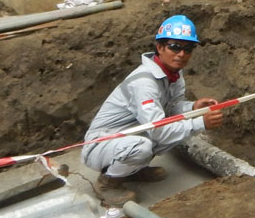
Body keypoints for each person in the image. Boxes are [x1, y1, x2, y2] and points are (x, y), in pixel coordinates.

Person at [81, 15, 224, 206]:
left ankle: (132, 169)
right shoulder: (144, 83)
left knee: (166, 133)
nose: (181, 54)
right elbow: (158, 131)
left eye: (188, 49)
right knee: (146, 145)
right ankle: (107, 184)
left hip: (128, 136)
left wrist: (193, 107)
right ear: (160, 47)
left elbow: (171, 108)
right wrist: (201, 123)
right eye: (175, 47)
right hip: (101, 144)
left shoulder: (173, 73)